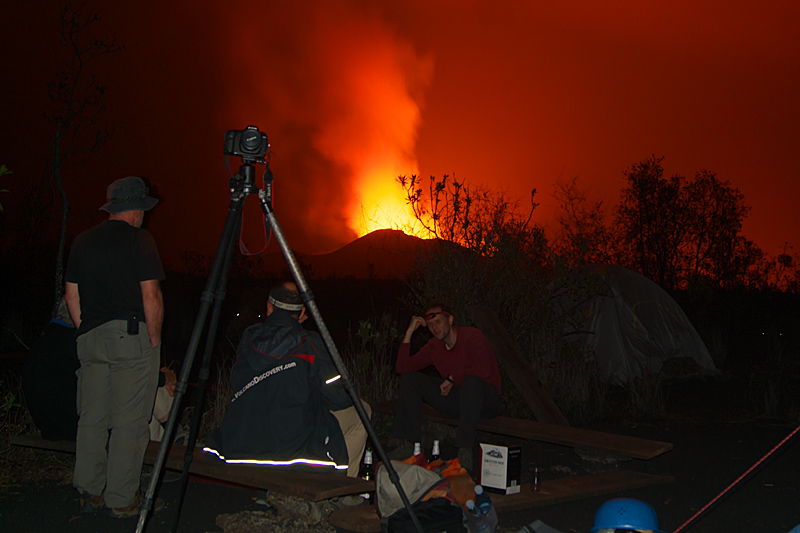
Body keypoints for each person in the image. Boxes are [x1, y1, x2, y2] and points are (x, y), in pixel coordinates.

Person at [64, 175, 165, 518]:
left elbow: (71, 295)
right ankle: (121, 498)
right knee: (130, 420)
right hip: (130, 336)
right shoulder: (141, 240)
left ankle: (89, 489)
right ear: (134, 209)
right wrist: (153, 340)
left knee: (92, 416)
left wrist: (85, 329)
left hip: (90, 337)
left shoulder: (81, 241)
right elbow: (150, 295)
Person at [203, 281, 371, 479]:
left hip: (239, 445)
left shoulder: (248, 338)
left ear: (268, 307)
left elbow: (236, 383)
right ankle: (342, 489)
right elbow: (340, 398)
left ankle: (266, 494)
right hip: (290, 450)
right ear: (301, 314)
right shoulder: (310, 343)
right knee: (362, 411)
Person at [22, 298, 177, 443]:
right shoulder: (78, 343)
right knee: (146, 387)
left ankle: (172, 440)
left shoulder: (45, 343)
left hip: (53, 430)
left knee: (144, 385)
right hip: (79, 429)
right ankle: (175, 439)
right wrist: (164, 378)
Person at [392, 301, 502, 472]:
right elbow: (402, 367)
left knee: (470, 383)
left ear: (450, 320)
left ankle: (464, 450)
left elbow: (485, 369)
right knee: (410, 379)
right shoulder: (434, 347)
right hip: (459, 400)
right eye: (429, 325)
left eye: (438, 322)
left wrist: (453, 378)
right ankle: (410, 445)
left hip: (486, 400)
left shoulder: (472, 336)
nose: (434, 328)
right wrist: (409, 333)